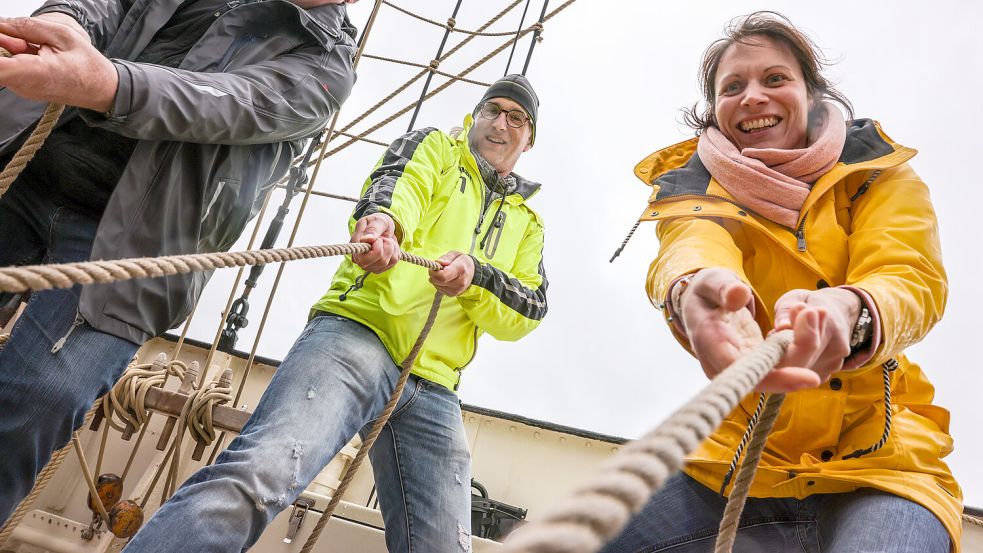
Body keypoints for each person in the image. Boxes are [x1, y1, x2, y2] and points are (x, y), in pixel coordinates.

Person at [123, 74, 548, 552]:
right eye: (492, 109)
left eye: (516, 118)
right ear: (476, 117)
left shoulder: (528, 225)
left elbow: (529, 308)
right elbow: (396, 188)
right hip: (357, 336)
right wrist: (383, 224)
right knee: (262, 473)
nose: (500, 123)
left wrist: (478, 277)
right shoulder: (434, 147)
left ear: (528, 138)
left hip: (435, 387)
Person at [602, 11, 960, 553]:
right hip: (741, 459)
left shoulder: (881, 175)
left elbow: (909, 274)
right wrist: (696, 288)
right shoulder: (692, 192)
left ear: (812, 96)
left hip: (886, 465)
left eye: (774, 79)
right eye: (733, 86)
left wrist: (852, 310)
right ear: (716, 112)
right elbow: (693, 246)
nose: (752, 96)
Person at [0, 0, 358, 523]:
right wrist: (63, 22)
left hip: (141, 246)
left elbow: (228, 104)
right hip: (23, 163)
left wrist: (105, 83)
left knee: (40, 399)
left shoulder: (325, 68)